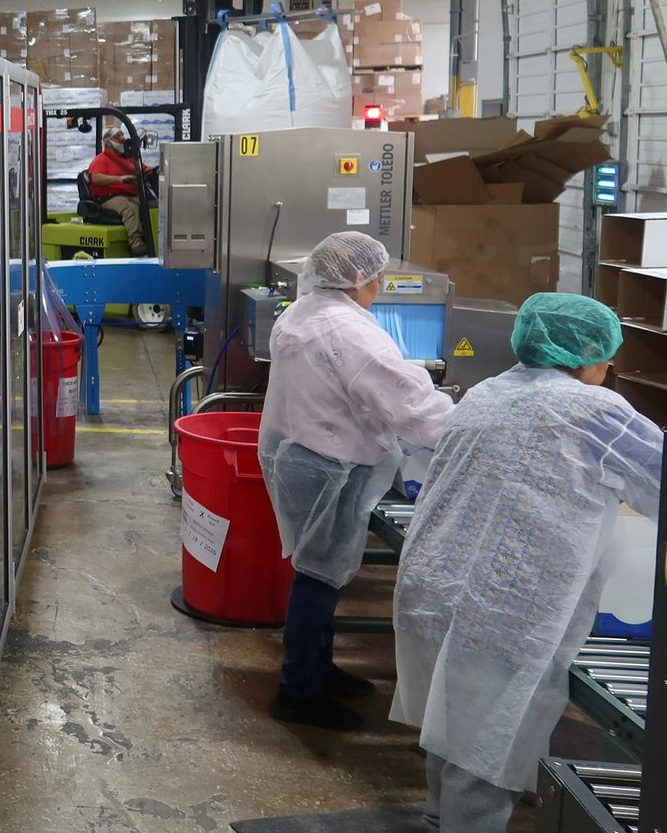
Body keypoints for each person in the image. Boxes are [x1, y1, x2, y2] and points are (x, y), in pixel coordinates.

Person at [391, 293, 661, 832]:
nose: (609, 370)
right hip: (506, 609)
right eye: (607, 358)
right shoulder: (595, 410)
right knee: (487, 745)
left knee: (452, 723)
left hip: (434, 585)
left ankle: (439, 817)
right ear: (585, 354)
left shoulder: (487, 392)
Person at [257, 231, 454, 731]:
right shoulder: (351, 333)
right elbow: (407, 399)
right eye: (377, 276)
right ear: (359, 280)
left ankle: (318, 670)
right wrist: (464, 430)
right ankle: (297, 691)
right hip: (332, 465)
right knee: (319, 578)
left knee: (318, 573)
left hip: (304, 457)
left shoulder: (300, 312)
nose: (380, 284)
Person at [83, 129, 154, 256]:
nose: (122, 138)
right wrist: (119, 179)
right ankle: (136, 243)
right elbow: (95, 178)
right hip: (108, 198)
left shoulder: (129, 159)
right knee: (129, 207)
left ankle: (153, 239)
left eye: (122, 134)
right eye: (117, 136)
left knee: (152, 205)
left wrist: (156, 171)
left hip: (131, 194)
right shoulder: (102, 159)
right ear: (108, 143)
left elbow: (146, 170)